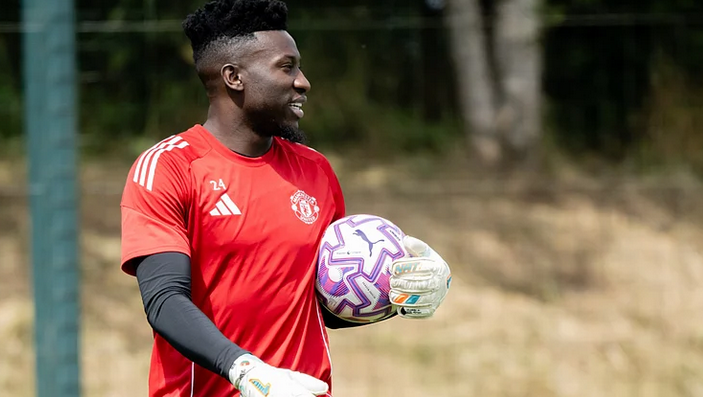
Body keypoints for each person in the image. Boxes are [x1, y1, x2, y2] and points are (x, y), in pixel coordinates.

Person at [119, 1, 452, 396]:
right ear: (234, 77)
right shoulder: (170, 167)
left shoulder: (315, 170)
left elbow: (325, 304)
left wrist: (396, 294)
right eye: (287, 66)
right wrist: (246, 371)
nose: (303, 82)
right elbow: (163, 301)